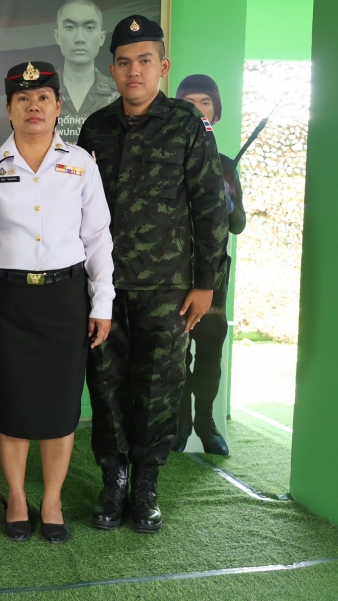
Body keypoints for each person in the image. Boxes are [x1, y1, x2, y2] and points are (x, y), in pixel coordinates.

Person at [77, 15, 228, 533]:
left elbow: (211, 206)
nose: (134, 71)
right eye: (124, 62)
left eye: (144, 61)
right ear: (112, 70)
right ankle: (113, 479)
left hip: (168, 289)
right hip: (104, 286)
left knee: (159, 386)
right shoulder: (96, 127)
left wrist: (206, 284)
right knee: (106, 384)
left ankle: (145, 484)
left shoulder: (187, 124)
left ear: (163, 66)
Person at [0, 61, 114, 544]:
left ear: (58, 106)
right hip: (6, 301)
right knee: (11, 405)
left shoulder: (81, 164)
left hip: (65, 300)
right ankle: (17, 498)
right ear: (8, 109)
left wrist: (102, 303)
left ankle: (51, 500)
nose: (34, 106)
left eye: (43, 97)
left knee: (60, 408)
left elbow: (98, 238)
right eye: (23, 99)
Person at [173, 74, 246, 455]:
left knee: (210, 354)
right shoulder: (168, 160)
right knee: (176, 354)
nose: (198, 109)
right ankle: (179, 424)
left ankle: (205, 422)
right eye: (189, 102)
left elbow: (238, 224)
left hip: (214, 279)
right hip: (172, 275)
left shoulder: (227, 165)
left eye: (205, 102)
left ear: (216, 112)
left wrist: (228, 201)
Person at [54, 0, 119, 143]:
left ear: (102, 38)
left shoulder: (119, 95)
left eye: (89, 28)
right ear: (57, 36)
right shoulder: (41, 94)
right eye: (70, 27)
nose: (79, 39)